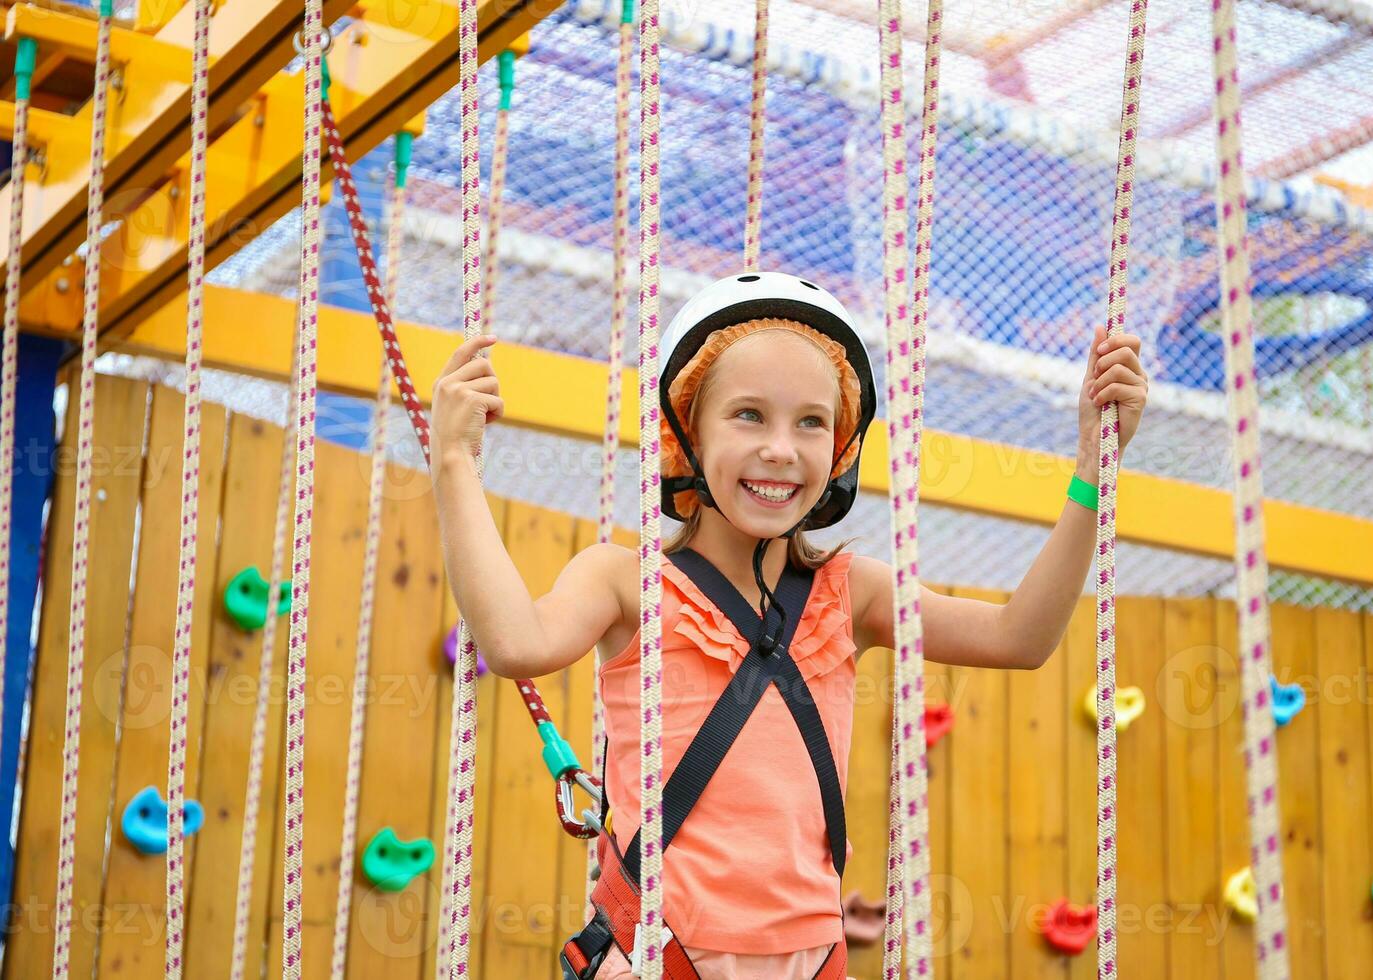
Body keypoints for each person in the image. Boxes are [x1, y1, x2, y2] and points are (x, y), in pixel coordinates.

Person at [429, 271, 1148, 980]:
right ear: (686, 433)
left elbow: (1018, 638)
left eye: (811, 422)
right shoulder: (625, 580)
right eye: (748, 415)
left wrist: (1092, 469)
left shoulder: (851, 592)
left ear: (837, 451)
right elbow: (516, 643)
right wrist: (456, 462)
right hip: (658, 956)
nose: (782, 448)